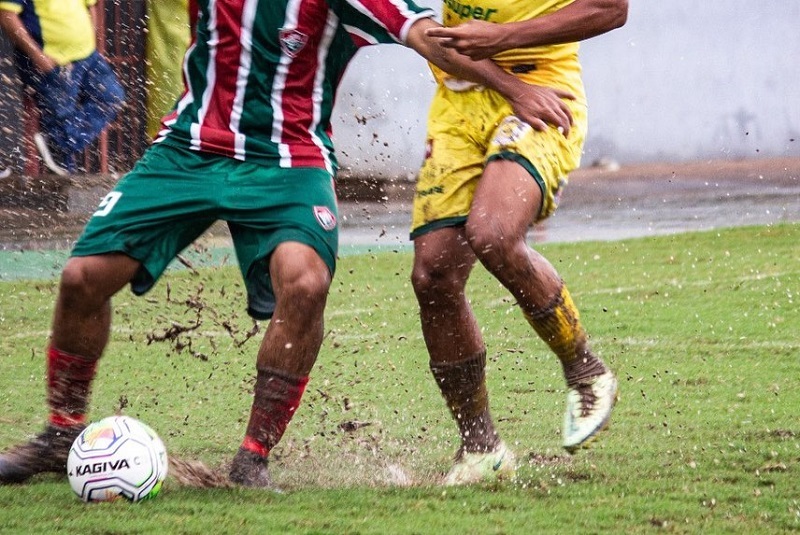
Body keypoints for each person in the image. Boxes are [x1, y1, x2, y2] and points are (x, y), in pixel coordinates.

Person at [0, 0, 577, 489]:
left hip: (289, 160)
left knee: (305, 281)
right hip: (188, 150)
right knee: (81, 277)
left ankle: (252, 460)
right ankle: (62, 432)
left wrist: (514, 88)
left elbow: (431, 38)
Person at [410, 0, 629, 485]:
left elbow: (612, 9)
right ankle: (481, 448)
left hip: (542, 89)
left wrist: (503, 39)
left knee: (492, 232)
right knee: (433, 275)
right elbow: (420, 27)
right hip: (459, 101)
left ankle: (586, 371)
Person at [0, 0, 125, 175]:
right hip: (52, 61)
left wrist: (91, 46)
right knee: (61, 120)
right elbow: (7, 16)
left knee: (111, 97)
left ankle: (58, 141)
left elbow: (90, 6)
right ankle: (58, 152)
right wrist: (38, 57)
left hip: (87, 56)